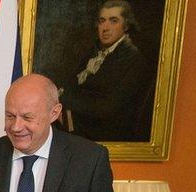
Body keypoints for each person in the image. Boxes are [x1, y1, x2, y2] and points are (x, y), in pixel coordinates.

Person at [59, 0, 150, 141]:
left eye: (113, 21)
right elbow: (71, 86)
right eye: (102, 21)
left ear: (125, 26)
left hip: (106, 133)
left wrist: (66, 101)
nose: (105, 27)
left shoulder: (134, 60)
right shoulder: (93, 54)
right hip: (81, 127)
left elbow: (107, 109)